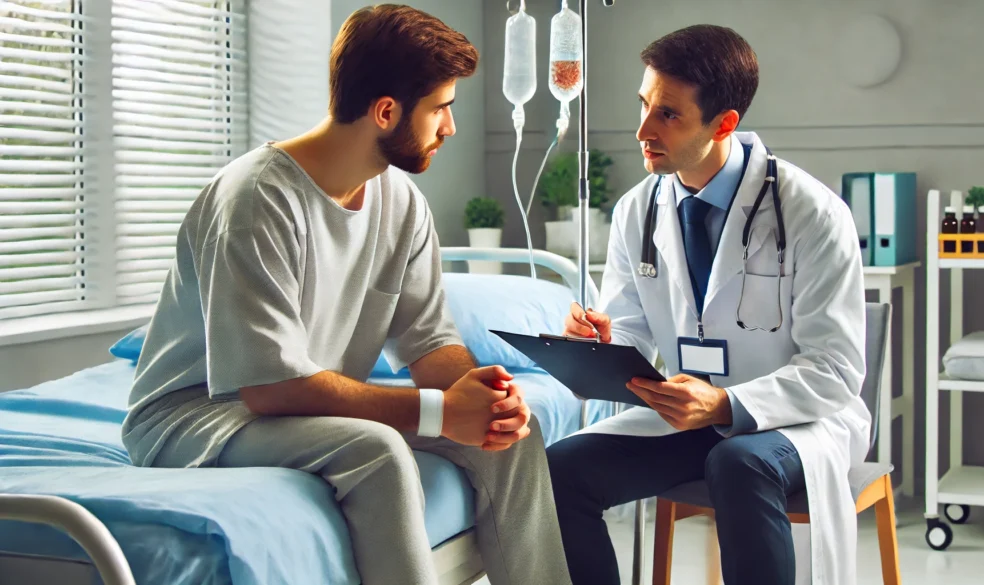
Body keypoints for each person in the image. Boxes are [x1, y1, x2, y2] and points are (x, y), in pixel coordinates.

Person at [120, 5, 571, 585]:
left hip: (289, 405)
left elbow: (429, 342)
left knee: (509, 442)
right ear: (386, 112)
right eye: (441, 109)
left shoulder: (401, 202)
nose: (450, 127)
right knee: (376, 451)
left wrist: (484, 397)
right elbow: (268, 385)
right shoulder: (256, 202)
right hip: (197, 416)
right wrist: (437, 412)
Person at [547, 25, 869, 585]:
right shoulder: (636, 211)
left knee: (738, 462)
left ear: (724, 124)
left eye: (668, 115)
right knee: (559, 470)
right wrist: (600, 343)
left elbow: (836, 371)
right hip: (686, 414)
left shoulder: (813, 214)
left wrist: (725, 404)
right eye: (644, 105)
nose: (643, 129)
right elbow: (631, 330)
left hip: (798, 422)